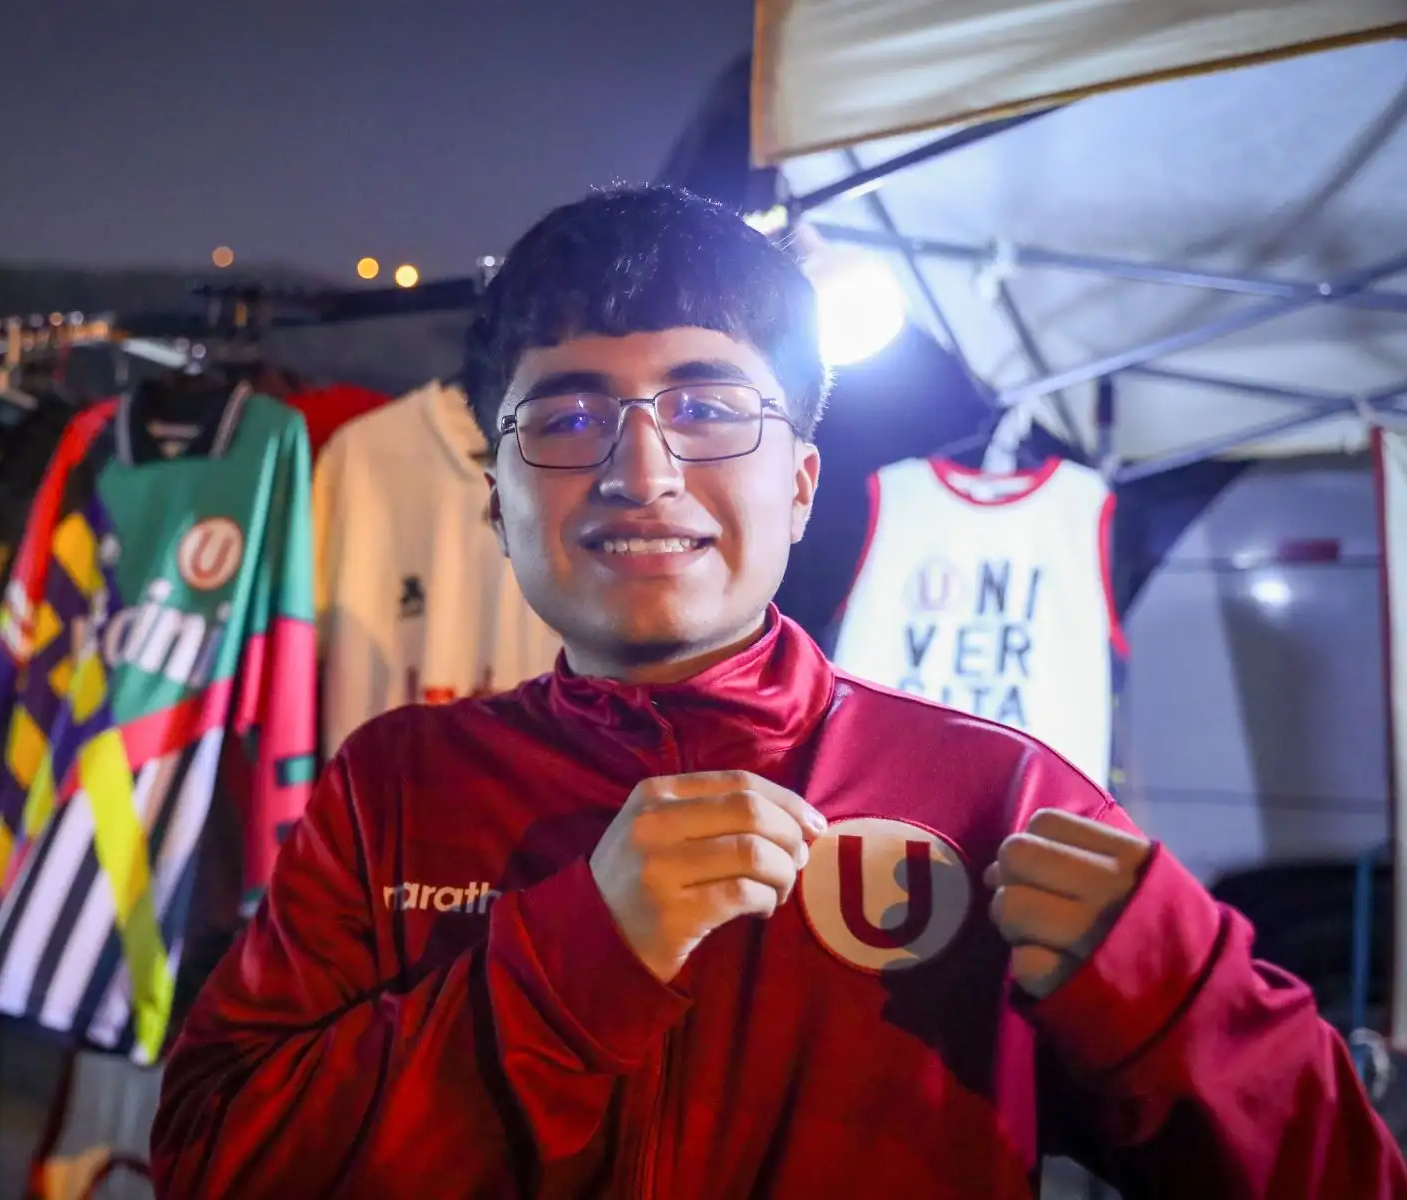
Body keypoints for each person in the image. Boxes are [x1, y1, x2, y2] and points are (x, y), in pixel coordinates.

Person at [151, 185, 1405, 1197]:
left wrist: (1178, 996)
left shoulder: (991, 798)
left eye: (707, 409)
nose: (642, 471)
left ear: (802, 484)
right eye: (570, 420)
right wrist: (577, 961)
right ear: (498, 501)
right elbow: (214, 1160)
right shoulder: (397, 786)